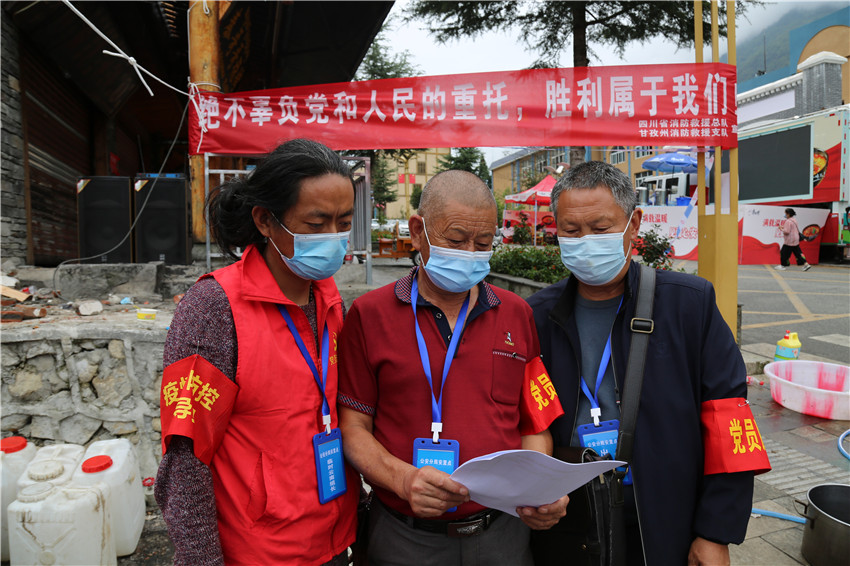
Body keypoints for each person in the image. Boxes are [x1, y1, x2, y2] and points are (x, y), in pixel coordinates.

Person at [527, 161, 770, 566]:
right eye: (571, 230)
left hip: (665, 519)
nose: (585, 242)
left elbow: (729, 420)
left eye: (600, 229)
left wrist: (716, 532)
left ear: (634, 224)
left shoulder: (688, 305)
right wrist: (532, 492)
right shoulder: (536, 315)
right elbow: (528, 420)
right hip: (570, 521)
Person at [338, 170, 569, 566]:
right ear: (418, 232)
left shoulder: (516, 314)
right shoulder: (369, 314)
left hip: (501, 535)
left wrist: (537, 489)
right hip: (405, 537)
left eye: (483, 243)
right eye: (457, 239)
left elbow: (535, 423)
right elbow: (354, 427)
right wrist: (403, 480)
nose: (470, 253)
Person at [155, 139, 359, 565]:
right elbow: (185, 458)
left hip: (332, 540)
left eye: (343, 223)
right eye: (316, 223)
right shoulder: (213, 309)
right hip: (258, 552)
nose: (333, 238)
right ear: (265, 220)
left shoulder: (328, 299)